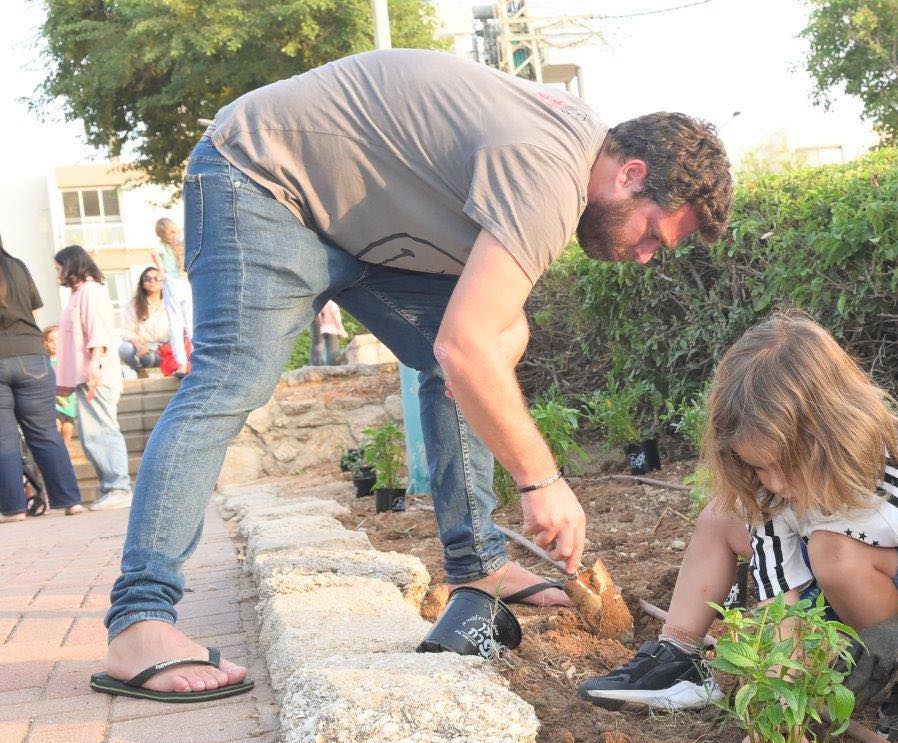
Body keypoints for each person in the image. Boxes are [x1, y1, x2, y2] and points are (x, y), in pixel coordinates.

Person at [97, 49, 733, 702]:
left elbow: (475, 339)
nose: (645, 255)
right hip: (262, 183)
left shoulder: (570, 152)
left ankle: (479, 566)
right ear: (631, 174)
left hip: (357, 226)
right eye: (654, 233)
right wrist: (541, 481)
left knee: (498, 334)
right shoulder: (550, 173)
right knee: (229, 383)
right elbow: (463, 346)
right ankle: (140, 620)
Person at [579, 314, 898, 743]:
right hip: (824, 599)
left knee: (833, 551)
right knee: (723, 514)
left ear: (833, 435)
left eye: (785, 464)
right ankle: (678, 657)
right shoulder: (770, 491)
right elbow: (778, 597)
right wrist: (781, 705)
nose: (775, 484)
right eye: (759, 466)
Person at [0, 238, 83, 521]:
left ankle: (13, 509)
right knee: (45, 432)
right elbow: (34, 314)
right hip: (32, 357)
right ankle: (70, 501)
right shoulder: (17, 266)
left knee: (4, 439)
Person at [54, 246, 132, 511]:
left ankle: (118, 487)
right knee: (91, 437)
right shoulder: (78, 294)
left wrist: (96, 365)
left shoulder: (90, 291)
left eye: (59, 268)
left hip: (95, 374)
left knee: (102, 431)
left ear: (71, 265)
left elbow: (97, 329)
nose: (57, 274)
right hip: (85, 375)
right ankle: (111, 487)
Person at [152, 219, 193, 378]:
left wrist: (161, 272)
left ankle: (182, 364)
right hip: (186, 282)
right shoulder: (181, 242)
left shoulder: (161, 246)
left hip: (172, 283)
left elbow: (154, 254)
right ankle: (194, 362)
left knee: (176, 325)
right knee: (191, 324)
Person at [118, 267, 170, 377]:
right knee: (125, 349)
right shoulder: (134, 304)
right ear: (142, 283)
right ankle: (140, 371)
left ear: (163, 281)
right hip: (144, 352)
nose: (152, 281)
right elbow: (126, 331)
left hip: (168, 351)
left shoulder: (170, 303)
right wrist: (138, 344)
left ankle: (172, 370)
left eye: (157, 278)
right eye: (147, 278)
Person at [43, 326, 78, 450]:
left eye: (58, 340)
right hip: (53, 403)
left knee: (68, 429)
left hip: (68, 404)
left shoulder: (67, 361)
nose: (55, 344)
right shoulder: (45, 362)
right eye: (52, 341)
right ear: (45, 344)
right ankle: (56, 452)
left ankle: (66, 453)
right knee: (56, 426)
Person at [310, 301, 346, 366]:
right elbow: (336, 317)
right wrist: (341, 329)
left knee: (326, 351)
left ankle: (324, 366)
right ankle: (332, 368)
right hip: (332, 330)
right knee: (333, 352)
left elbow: (319, 317)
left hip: (323, 330)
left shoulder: (322, 303)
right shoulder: (332, 303)